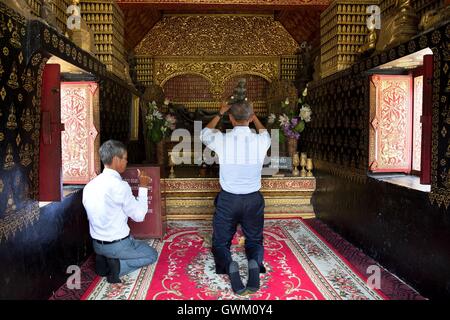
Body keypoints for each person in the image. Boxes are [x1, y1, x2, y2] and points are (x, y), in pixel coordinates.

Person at [200, 100, 271, 295]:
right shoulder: (261, 140)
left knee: (220, 242)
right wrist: (254, 116)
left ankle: (228, 265)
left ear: (230, 118)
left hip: (228, 200)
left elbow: (203, 134)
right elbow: (265, 132)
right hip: (253, 200)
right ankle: (254, 264)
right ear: (250, 117)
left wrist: (219, 113)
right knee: (255, 240)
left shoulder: (222, 139)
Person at [82, 140, 158, 284]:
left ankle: (104, 262)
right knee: (151, 254)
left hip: (97, 245)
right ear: (116, 159)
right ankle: (117, 267)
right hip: (117, 245)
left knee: (135, 244)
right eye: (125, 158)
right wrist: (143, 187)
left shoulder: (89, 186)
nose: (127, 161)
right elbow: (139, 216)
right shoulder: (120, 186)